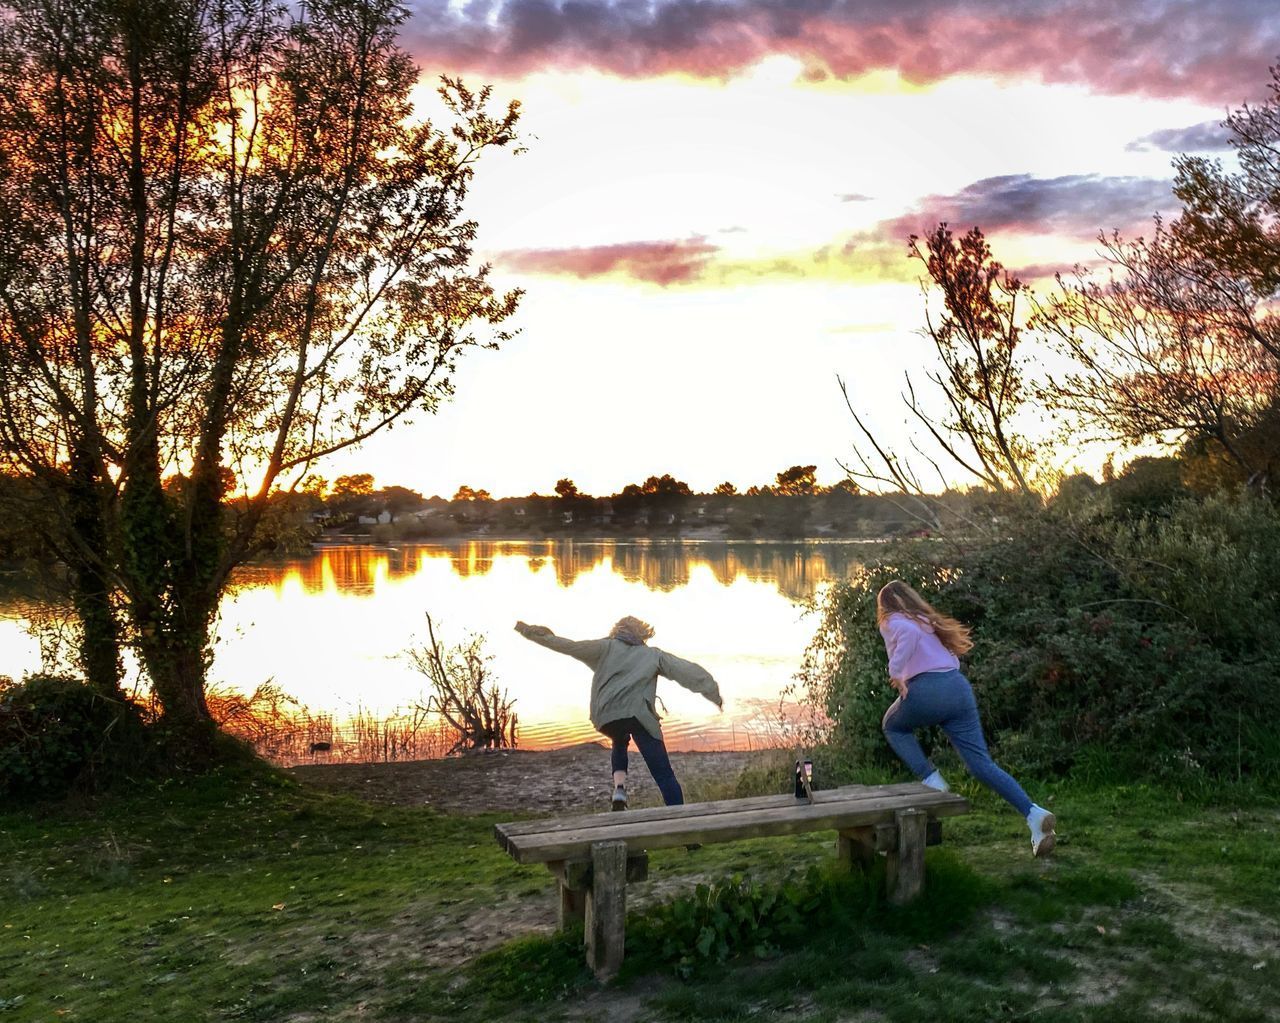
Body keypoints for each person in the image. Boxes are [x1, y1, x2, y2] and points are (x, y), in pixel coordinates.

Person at [877, 580, 1057, 857]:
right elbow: (948, 656)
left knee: (892, 726)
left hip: (926, 689)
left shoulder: (892, 620)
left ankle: (931, 779)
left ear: (884, 606)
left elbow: (908, 637)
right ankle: (1034, 814)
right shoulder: (927, 620)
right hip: (958, 689)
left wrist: (896, 672)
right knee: (981, 764)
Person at [514, 615, 723, 810]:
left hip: (606, 716)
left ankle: (619, 789)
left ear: (617, 631)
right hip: (639, 717)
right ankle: (684, 830)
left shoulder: (604, 648)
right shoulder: (653, 655)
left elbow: (569, 646)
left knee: (619, 738)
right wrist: (713, 693)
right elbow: (687, 672)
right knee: (664, 775)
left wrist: (533, 633)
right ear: (642, 634)